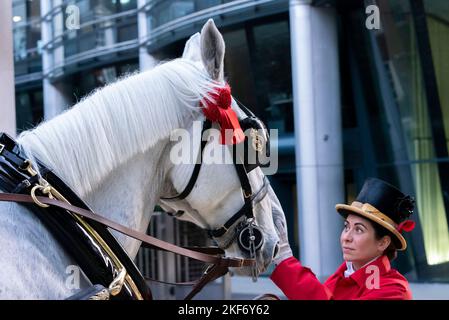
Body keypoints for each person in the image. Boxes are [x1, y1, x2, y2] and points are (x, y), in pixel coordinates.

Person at [270, 178, 416, 300]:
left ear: (383, 243)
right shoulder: (343, 275)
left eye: (359, 229)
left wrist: (285, 259)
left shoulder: (394, 290)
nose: (346, 237)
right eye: (346, 227)